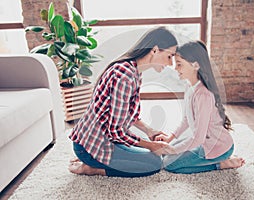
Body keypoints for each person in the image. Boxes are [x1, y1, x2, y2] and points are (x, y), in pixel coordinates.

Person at [68, 26, 177, 177]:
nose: (171, 63)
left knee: (149, 149)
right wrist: (151, 145)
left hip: (102, 139)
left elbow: (127, 115)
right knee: (154, 163)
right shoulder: (125, 75)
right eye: (170, 56)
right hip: (93, 145)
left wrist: (150, 131)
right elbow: (116, 131)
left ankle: (94, 158)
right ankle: (90, 167)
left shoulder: (134, 71)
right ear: (155, 50)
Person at [155, 40, 245, 174]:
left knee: (168, 164)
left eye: (179, 64)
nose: (175, 68)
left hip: (217, 148)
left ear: (195, 65)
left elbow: (198, 139)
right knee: (166, 152)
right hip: (204, 143)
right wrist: (170, 139)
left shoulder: (203, 95)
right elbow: (186, 119)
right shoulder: (189, 87)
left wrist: (172, 150)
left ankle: (220, 164)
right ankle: (177, 150)